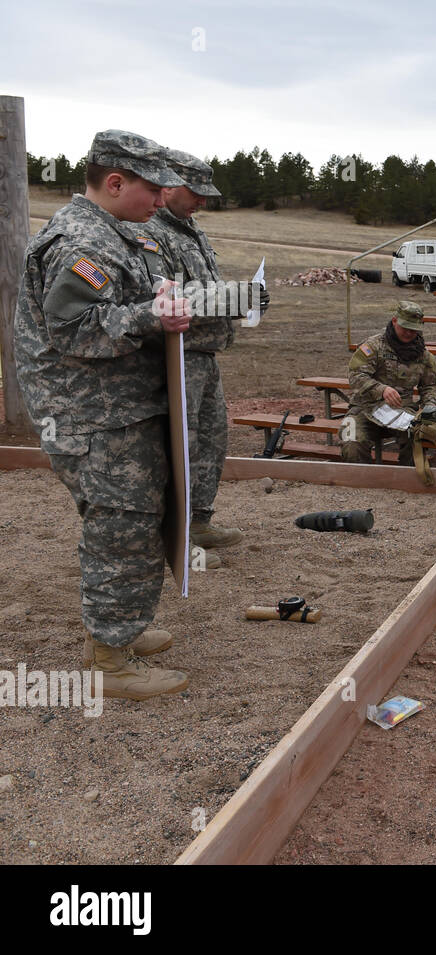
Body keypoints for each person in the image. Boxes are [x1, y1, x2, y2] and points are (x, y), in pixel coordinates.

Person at [12, 129, 192, 700]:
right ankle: (109, 660)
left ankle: (115, 635)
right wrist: (150, 319)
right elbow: (73, 330)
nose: (162, 202)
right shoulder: (81, 243)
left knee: (133, 519)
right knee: (121, 525)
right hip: (92, 416)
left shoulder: (114, 234)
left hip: (115, 409)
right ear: (115, 183)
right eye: (153, 190)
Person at [142, 148, 264, 568]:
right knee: (178, 444)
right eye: (196, 192)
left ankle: (199, 520)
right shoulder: (149, 231)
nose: (202, 201)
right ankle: (170, 531)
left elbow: (203, 286)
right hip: (176, 355)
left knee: (211, 439)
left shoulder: (190, 229)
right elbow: (168, 295)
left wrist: (239, 297)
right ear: (169, 185)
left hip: (204, 354)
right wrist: (239, 296)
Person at [341, 301, 436, 464]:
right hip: (365, 408)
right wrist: (381, 389)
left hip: (403, 410)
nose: (409, 333)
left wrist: (430, 407)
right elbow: (356, 375)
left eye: (413, 329)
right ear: (394, 321)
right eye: (405, 327)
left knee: (417, 439)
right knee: (351, 440)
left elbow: (431, 386)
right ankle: (361, 485)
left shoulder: (423, 355)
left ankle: (407, 482)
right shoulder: (374, 346)